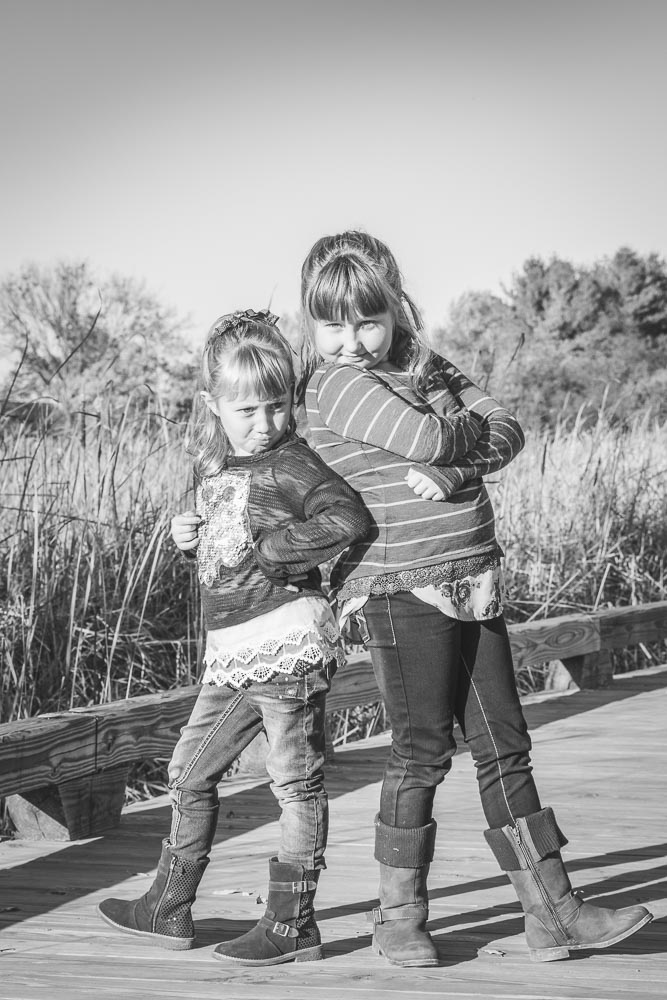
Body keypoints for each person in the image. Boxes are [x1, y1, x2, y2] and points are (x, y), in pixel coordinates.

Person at [298, 231, 653, 967]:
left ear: (394, 307)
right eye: (331, 324)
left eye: (367, 320)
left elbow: (508, 428)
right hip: (401, 586)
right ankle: (397, 917)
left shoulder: (422, 363)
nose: (352, 340)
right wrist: (459, 438)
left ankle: (553, 912)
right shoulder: (333, 384)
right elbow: (432, 439)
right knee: (421, 751)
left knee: (504, 746)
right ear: (311, 321)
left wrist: (463, 472)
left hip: (473, 577)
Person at [98, 309, 371, 965]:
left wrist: (283, 547)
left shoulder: (294, 464)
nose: (265, 421)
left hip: (285, 646)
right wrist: (185, 537)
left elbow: (348, 517)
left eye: (277, 405)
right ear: (212, 405)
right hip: (232, 655)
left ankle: (290, 923)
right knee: (187, 772)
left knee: (294, 784)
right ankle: (169, 905)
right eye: (247, 409)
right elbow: (225, 551)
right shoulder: (215, 465)